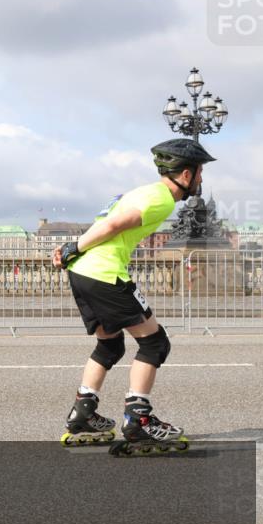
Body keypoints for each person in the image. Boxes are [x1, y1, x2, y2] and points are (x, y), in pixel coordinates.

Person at [52, 138, 217, 451]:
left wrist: (73, 249)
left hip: (83, 272)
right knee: (154, 342)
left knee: (110, 344)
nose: (201, 180)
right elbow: (115, 224)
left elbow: (105, 220)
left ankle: (83, 414)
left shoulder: (141, 192)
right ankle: (138, 420)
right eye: (199, 173)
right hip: (104, 273)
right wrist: (74, 246)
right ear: (184, 175)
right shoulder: (162, 200)